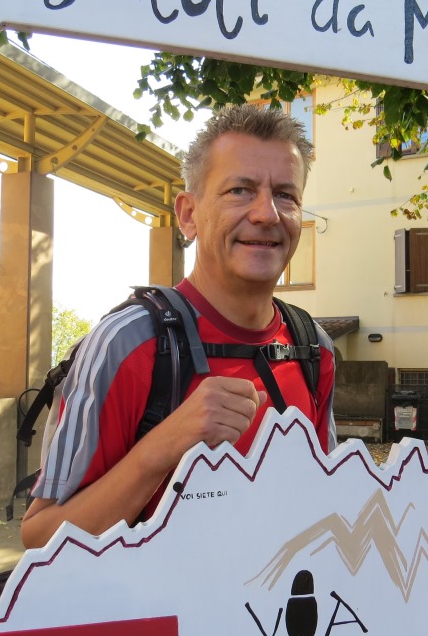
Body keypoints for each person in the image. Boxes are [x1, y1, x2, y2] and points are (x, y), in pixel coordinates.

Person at [20, 104, 337, 549]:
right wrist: (164, 445)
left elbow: (322, 502)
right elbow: (40, 538)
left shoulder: (313, 347)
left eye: (286, 195)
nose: (267, 214)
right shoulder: (129, 343)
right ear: (188, 215)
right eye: (240, 190)